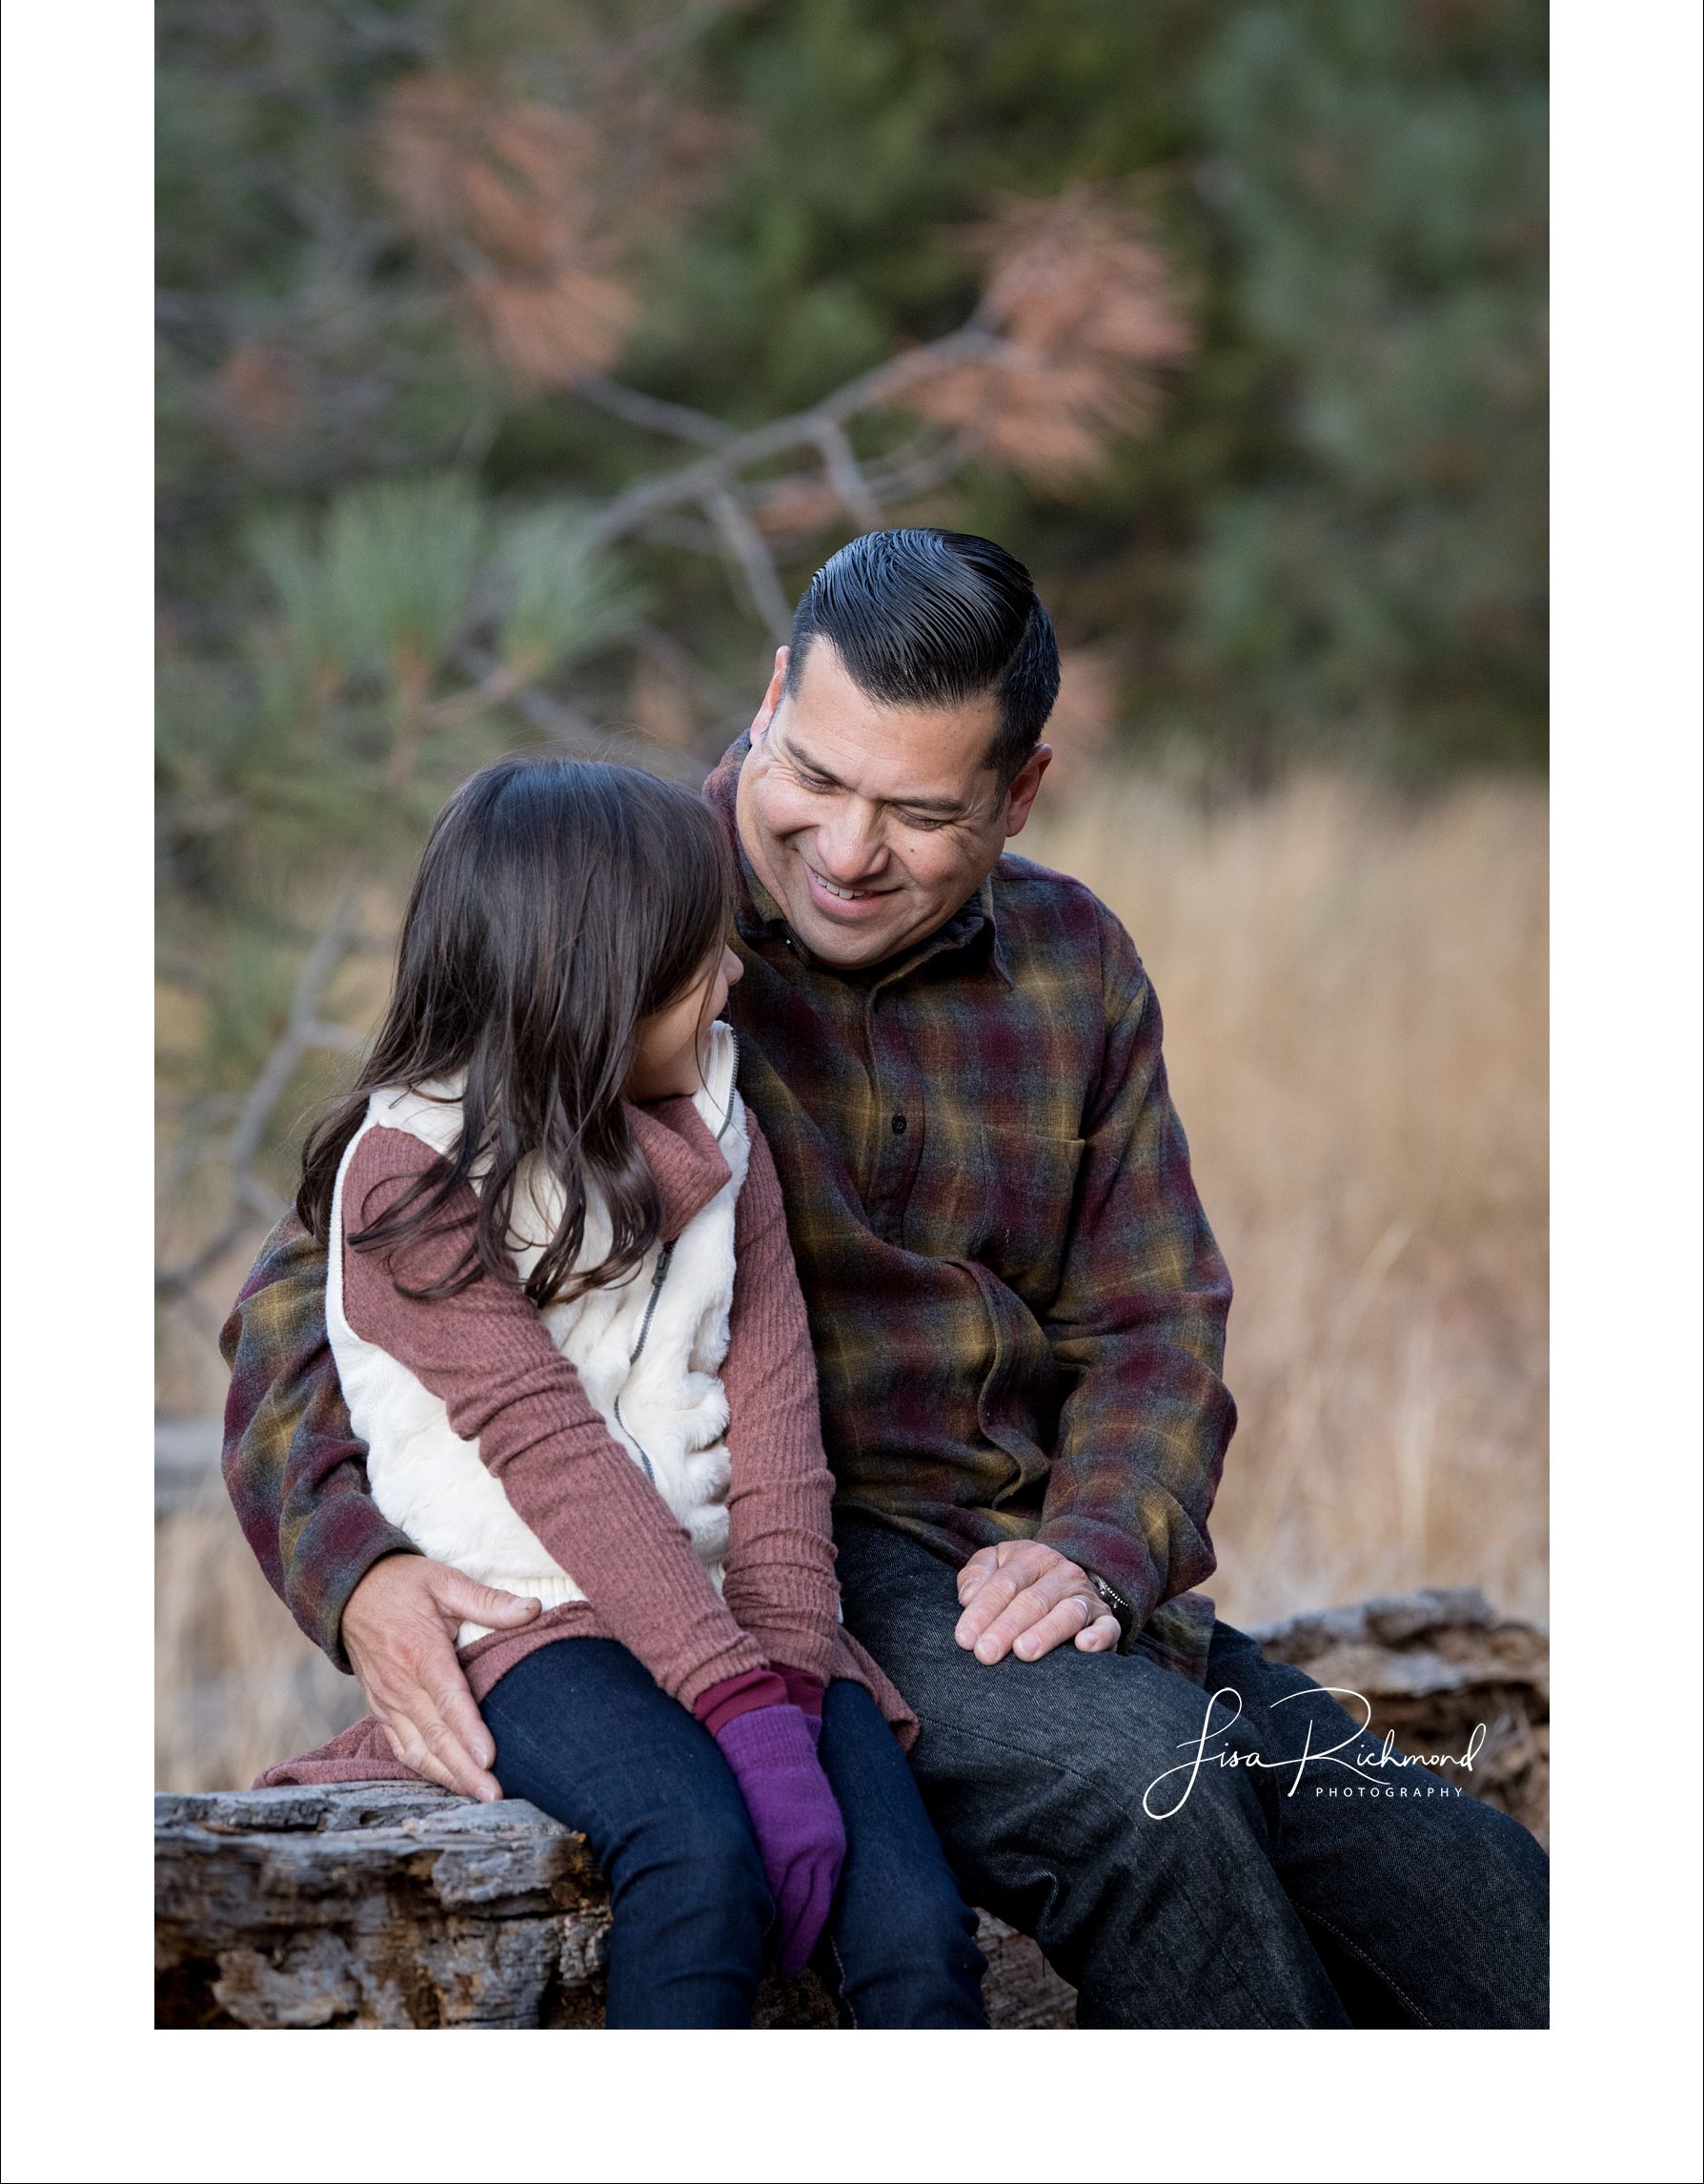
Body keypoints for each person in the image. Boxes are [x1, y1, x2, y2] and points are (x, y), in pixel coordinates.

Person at [224, 527, 1550, 2029]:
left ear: (1020, 790)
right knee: (1148, 1800)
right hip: (777, 1562)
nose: (849, 853)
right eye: (818, 779)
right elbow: (309, 1304)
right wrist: (363, 1577)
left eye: (919, 812)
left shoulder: (1073, 964)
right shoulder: (623, 909)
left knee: (1483, 1897)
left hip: (1022, 1570)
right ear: (778, 692)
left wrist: (1103, 1545)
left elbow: (1154, 1318)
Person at [232, 754, 988, 2031]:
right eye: (702, 959)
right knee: (695, 1853)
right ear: (593, 983)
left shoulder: (722, 1121)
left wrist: (795, 1680)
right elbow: (553, 1455)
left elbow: (780, 1425)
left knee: (914, 1917)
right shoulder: (411, 1181)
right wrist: (742, 1716)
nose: (735, 979)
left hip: (729, 1602)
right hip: (526, 1610)